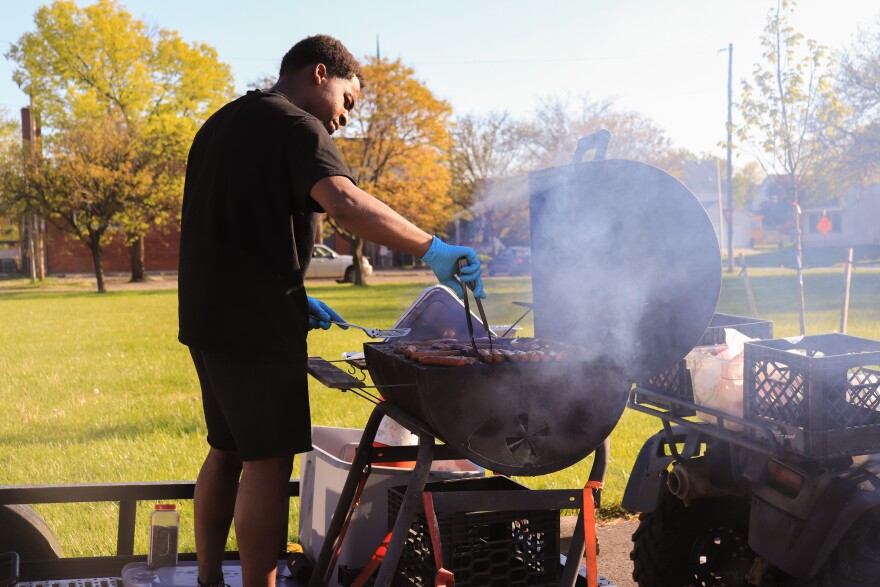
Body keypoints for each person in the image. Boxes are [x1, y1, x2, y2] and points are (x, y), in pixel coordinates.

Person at [177, 34, 484, 587]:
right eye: (348, 100)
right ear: (321, 73)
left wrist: (292, 294)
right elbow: (344, 201)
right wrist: (431, 248)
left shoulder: (222, 122)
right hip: (256, 326)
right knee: (267, 463)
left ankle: (206, 580)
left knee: (225, 450)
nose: (345, 117)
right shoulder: (298, 127)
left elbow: (235, 222)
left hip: (208, 316)